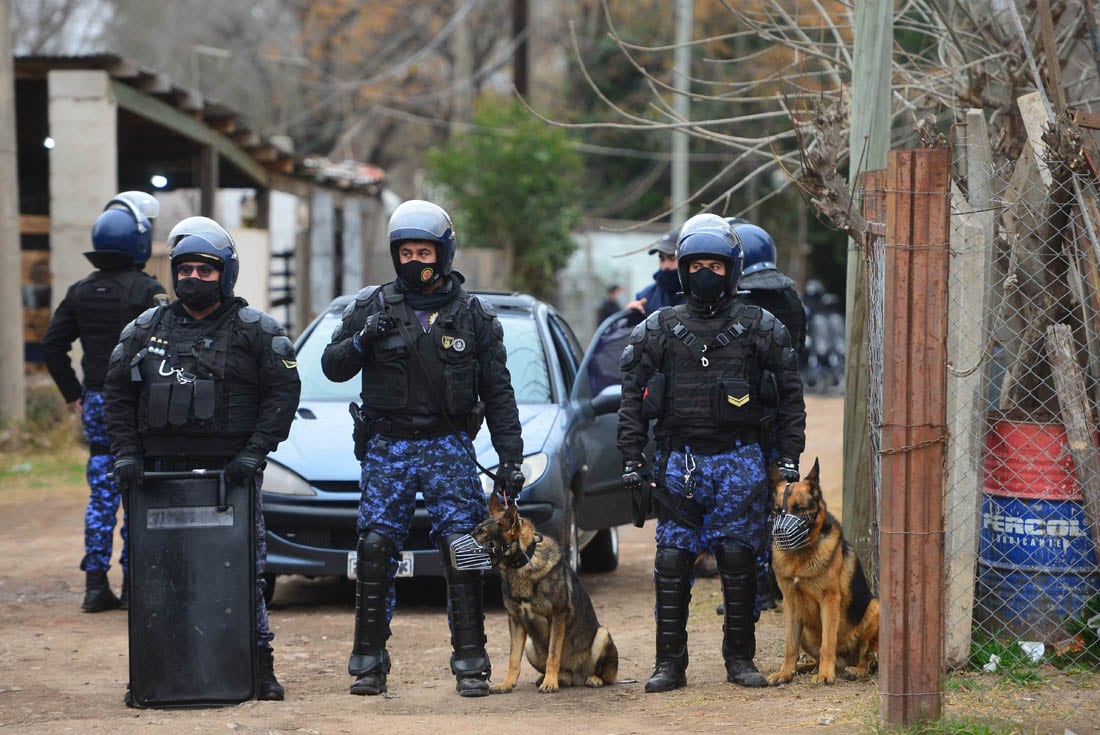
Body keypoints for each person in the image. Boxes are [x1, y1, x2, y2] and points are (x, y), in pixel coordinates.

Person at [320, 199, 525, 698]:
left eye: (425, 251)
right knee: (374, 550)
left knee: (464, 551)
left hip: (448, 445)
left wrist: (511, 459)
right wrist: (363, 340)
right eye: (406, 252)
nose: (415, 261)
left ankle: (471, 662)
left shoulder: (473, 316)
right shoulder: (371, 307)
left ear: (444, 253)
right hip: (388, 446)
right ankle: (368, 662)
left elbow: (498, 392)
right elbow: (332, 366)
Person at [103, 216, 300, 701]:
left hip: (229, 477)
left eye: (205, 271)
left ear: (226, 274)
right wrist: (127, 455)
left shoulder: (257, 331)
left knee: (242, 576)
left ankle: (258, 668)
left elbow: (283, 393)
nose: (193, 278)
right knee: (158, 577)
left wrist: (254, 453)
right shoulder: (143, 330)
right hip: (156, 478)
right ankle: (156, 673)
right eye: (185, 269)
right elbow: (116, 395)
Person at [617, 213, 805, 692]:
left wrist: (788, 459)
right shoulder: (657, 330)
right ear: (680, 269)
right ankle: (669, 664)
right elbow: (631, 402)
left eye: (715, 266)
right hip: (680, 462)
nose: (705, 274)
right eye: (695, 264)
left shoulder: (762, 327)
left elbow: (788, 399)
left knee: (740, 558)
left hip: (739, 459)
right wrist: (633, 461)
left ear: (733, 269)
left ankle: (740, 659)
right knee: (673, 561)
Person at [40, 192, 168, 613]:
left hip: (96, 399)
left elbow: (52, 345)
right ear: (140, 241)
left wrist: (73, 393)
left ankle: (95, 585)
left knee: (101, 492)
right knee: (139, 490)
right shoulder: (148, 290)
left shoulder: (79, 291)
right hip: (139, 402)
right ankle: (135, 584)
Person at [731, 219, 808, 613]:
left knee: (750, 505)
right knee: (777, 501)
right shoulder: (791, 298)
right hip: (781, 411)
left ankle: (759, 589)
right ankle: (775, 585)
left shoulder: (742, 302)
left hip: (745, 415)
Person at [626, 229, 684, 314]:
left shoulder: (699, 296)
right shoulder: (646, 296)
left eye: (672, 258)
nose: (665, 266)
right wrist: (631, 315)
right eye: (662, 258)